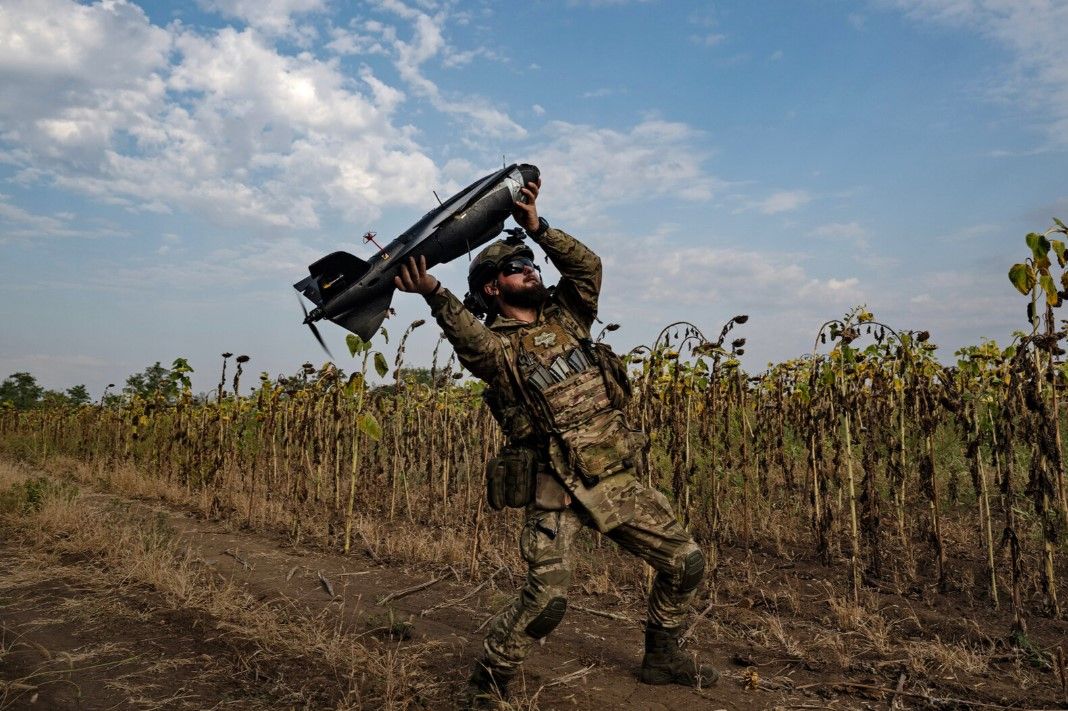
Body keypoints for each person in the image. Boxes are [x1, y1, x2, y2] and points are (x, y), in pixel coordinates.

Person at [393, 176, 718, 706]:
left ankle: (662, 656)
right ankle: (488, 681)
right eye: (515, 268)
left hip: (611, 476)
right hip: (554, 484)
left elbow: (588, 267)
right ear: (492, 288)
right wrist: (433, 291)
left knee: (686, 564)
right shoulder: (496, 349)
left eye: (531, 265)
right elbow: (468, 341)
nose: (529, 270)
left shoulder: (570, 316)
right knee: (547, 600)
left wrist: (539, 229)